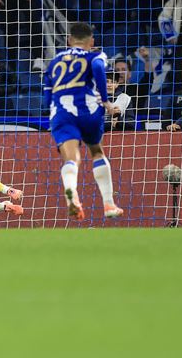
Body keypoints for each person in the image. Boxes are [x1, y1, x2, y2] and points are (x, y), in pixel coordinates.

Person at [43, 22, 124, 220]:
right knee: (96, 151)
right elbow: (97, 68)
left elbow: (47, 92)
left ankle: (72, 195)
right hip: (88, 111)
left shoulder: (54, 61)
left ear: (69, 40)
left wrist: (53, 114)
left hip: (62, 113)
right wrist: (105, 102)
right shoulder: (95, 55)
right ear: (91, 41)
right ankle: (109, 204)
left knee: (71, 158)